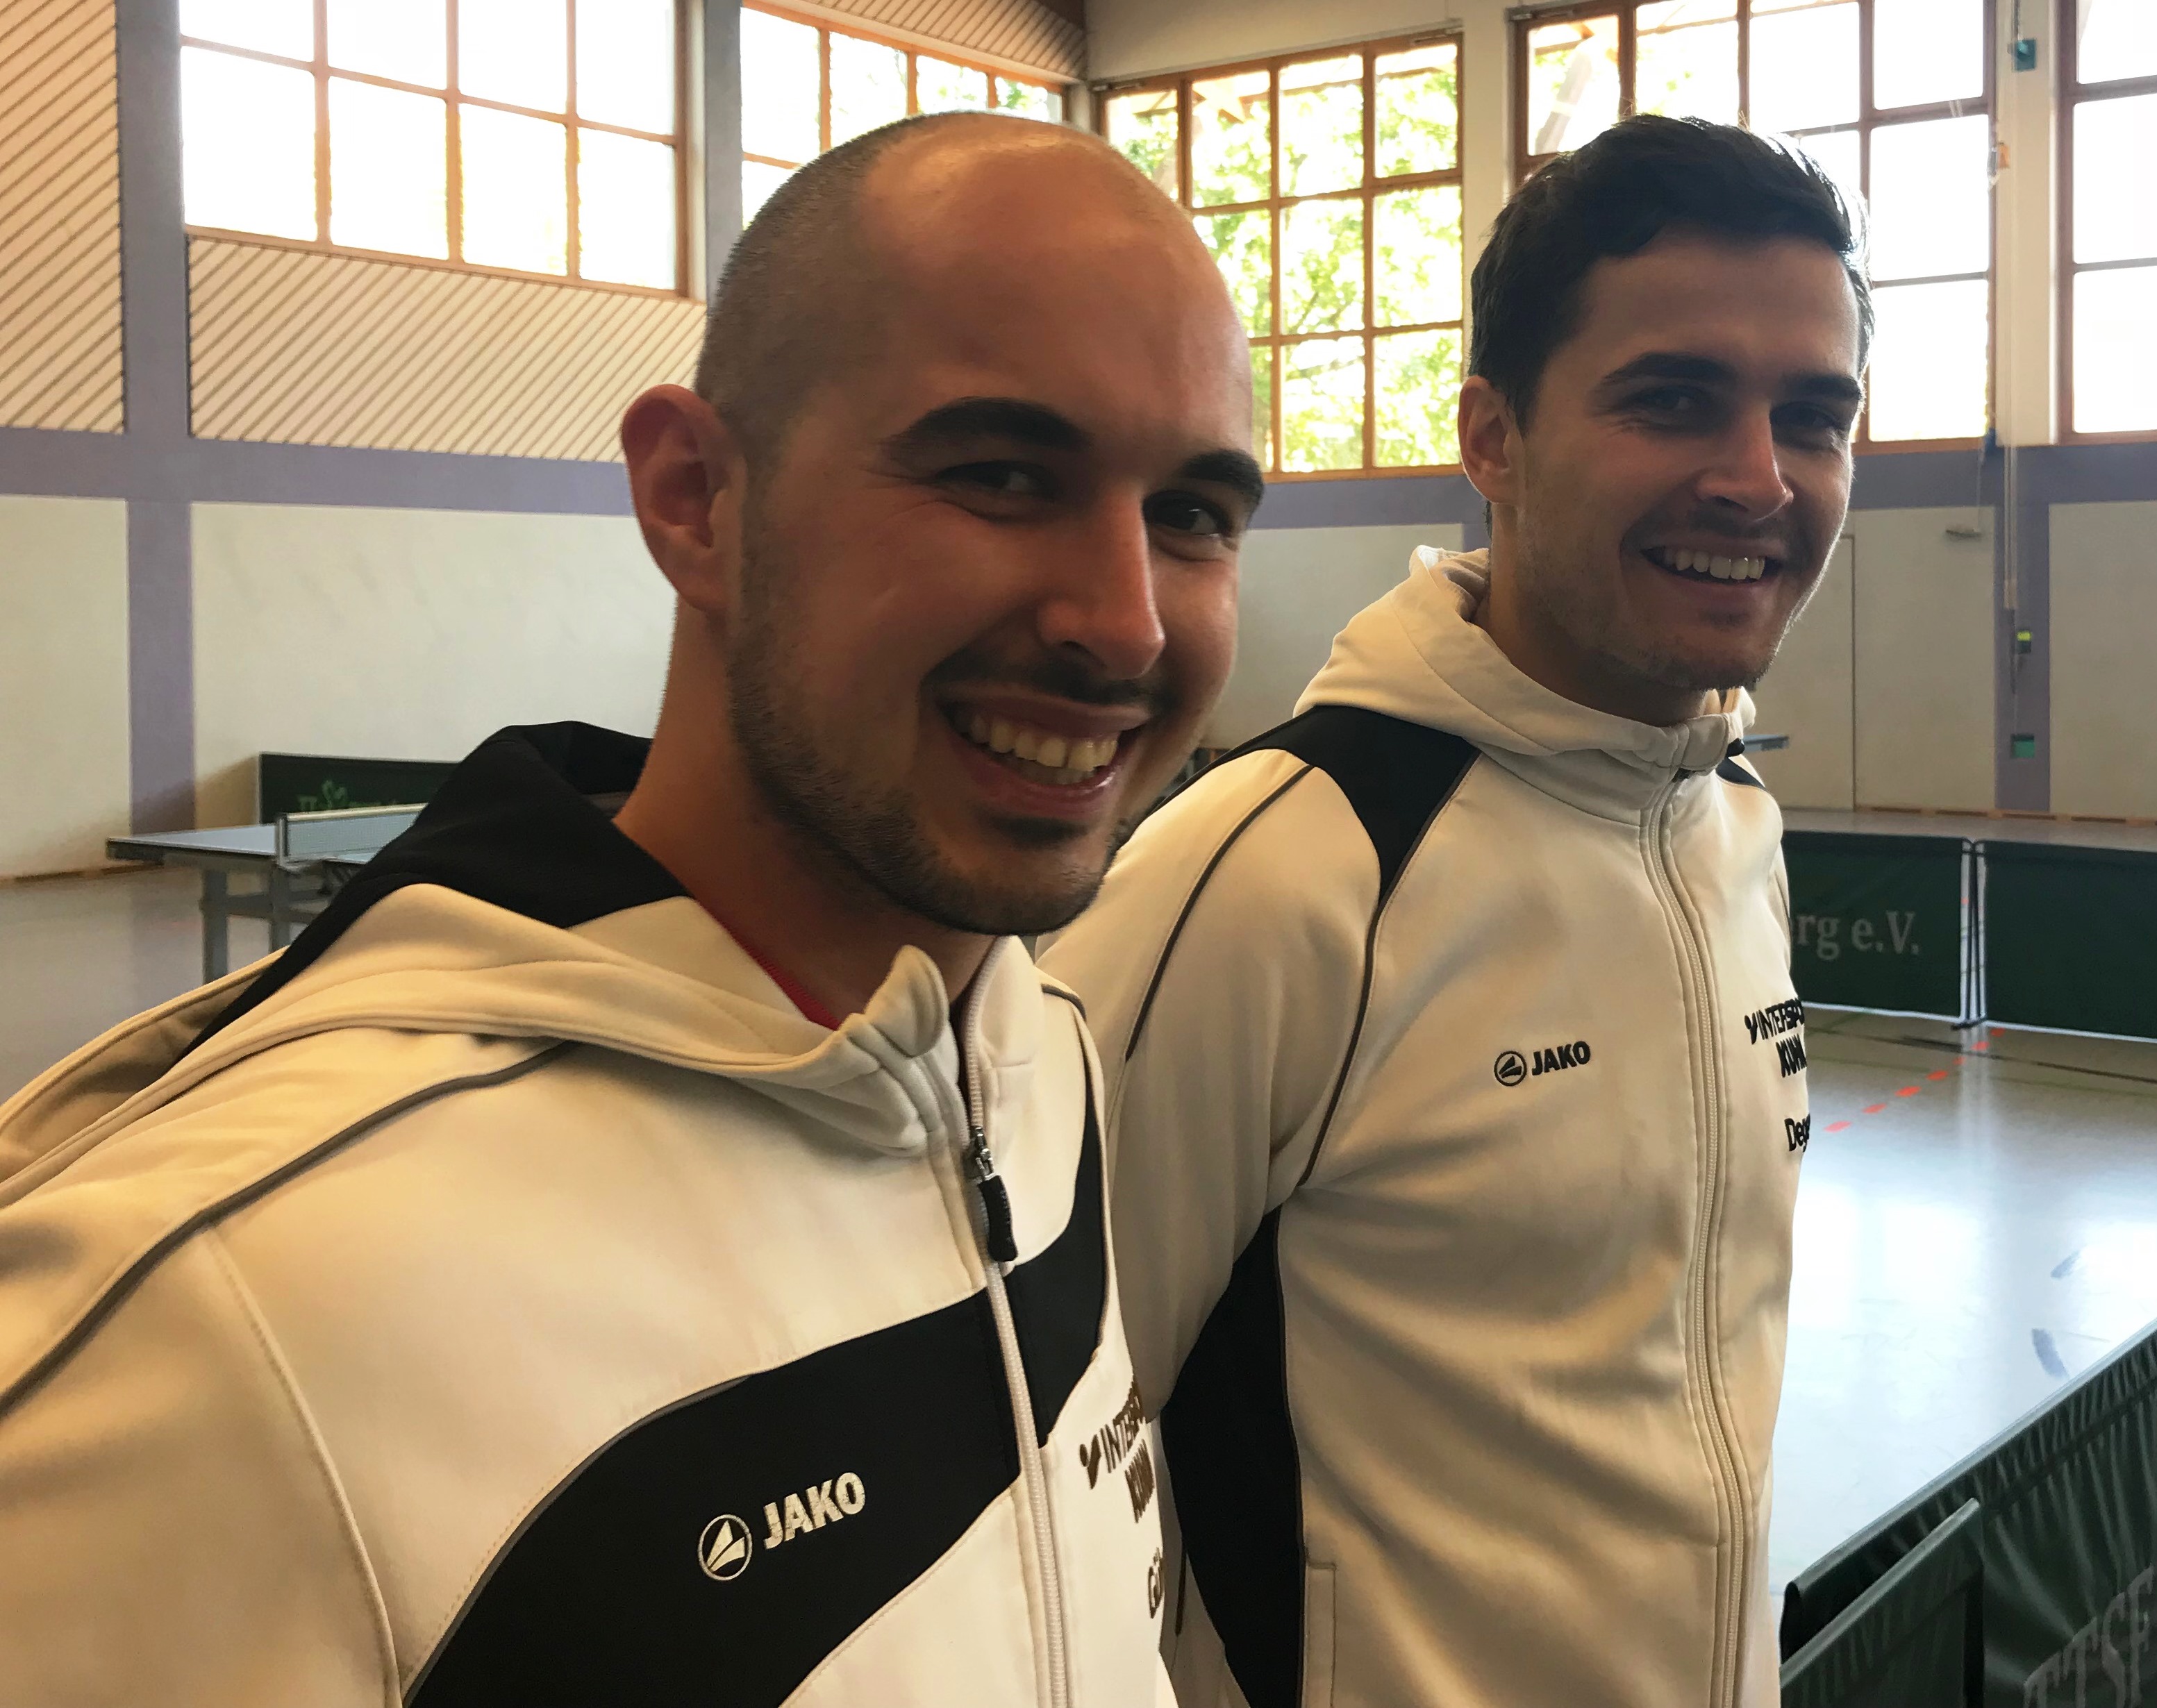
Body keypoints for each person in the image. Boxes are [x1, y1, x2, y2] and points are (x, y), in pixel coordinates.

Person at [0, 112, 1260, 1706]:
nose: (1124, 623)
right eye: (1001, 476)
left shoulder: (1036, 1057)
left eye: (1192, 514)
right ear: (693, 498)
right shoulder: (217, 1311)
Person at [1042, 115, 1867, 1708]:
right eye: (1670, 399)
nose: (1755, 477)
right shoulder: (1276, 874)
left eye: (1810, 417)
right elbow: (1031, 1427)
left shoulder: (1732, 832)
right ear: (1491, 436)